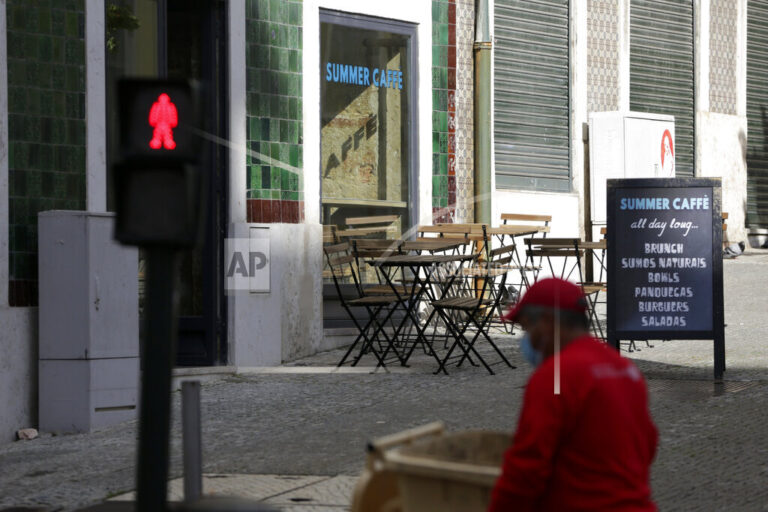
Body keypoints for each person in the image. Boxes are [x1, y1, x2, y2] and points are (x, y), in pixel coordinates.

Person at [488, 278, 658, 512]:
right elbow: (648, 442)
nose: (527, 340)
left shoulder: (555, 376)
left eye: (526, 328)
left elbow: (527, 466)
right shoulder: (624, 368)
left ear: (547, 321)